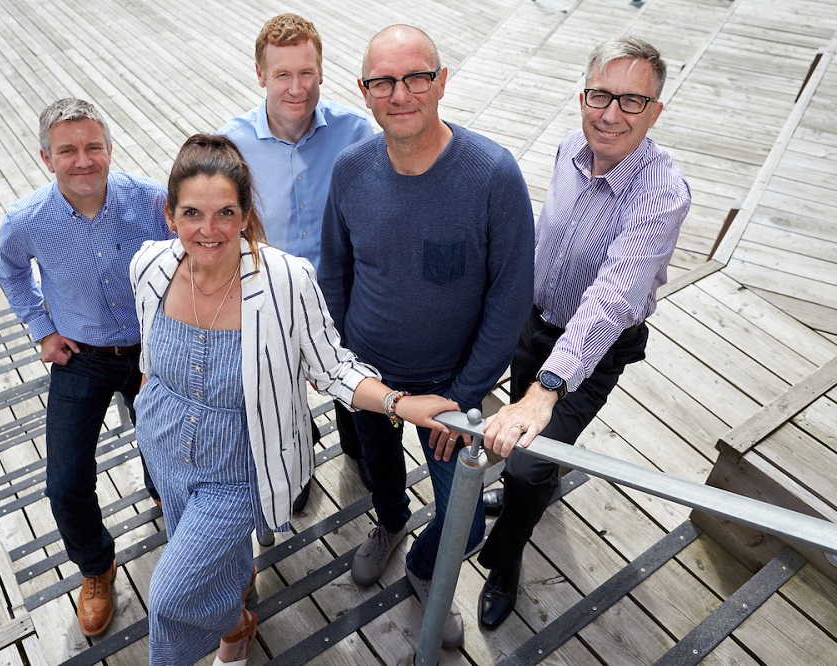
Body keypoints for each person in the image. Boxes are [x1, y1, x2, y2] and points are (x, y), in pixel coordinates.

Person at [130, 133, 458, 666]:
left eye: (224, 214)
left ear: (244, 216)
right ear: (169, 216)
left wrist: (402, 403)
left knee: (169, 598)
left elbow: (333, 368)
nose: (208, 230)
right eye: (192, 213)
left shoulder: (285, 280)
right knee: (220, 562)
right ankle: (237, 624)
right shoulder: (149, 267)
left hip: (239, 466)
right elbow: (148, 351)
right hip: (163, 446)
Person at [318, 25, 535, 648]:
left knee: (463, 524)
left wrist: (466, 396)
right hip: (369, 378)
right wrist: (343, 366)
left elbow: (509, 295)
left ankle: (425, 565)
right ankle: (389, 526)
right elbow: (335, 271)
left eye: (416, 77)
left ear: (442, 82)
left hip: (452, 388)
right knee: (378, 474)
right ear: (364, 92)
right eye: (384, 81)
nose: (401, 93)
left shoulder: (491, 174)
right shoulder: (351, 169)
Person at [475, 36, 692, 630]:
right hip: (535, 321)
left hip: (592, 353)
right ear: (582, 97)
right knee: (523, 455)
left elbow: (613, 298)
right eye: (601, 95)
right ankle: (522, 499)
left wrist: (546, 388)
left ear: (655, 111)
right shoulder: (571, 147)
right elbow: (545, 239)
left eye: (631, 100)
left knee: (526, 464)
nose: (611, 114)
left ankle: (505, 559)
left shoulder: (661, 194)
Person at [0, 98, 169, 637]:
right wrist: (42, 329)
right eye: (67, 150)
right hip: (82, 357)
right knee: (65, 483)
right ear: (47, 158)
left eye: (94, 146)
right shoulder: (27, 221)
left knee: (170, 455)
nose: (83, 160)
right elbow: (10, 271)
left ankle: (168, 499)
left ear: (110, 149)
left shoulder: (152, 200)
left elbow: (192, 253)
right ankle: (96, 567)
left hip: (153, 348)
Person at [219, 13, 376, 508]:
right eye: (282, 74)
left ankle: (359, 450)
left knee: (356, 396)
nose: (296, 88)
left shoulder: (356, 131)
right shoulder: (233, 143)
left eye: (306, 73)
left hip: (344, 292)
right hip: (269, 295)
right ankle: (296, 465)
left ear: (322, 71)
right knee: (282, 401)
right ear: (261, 74)